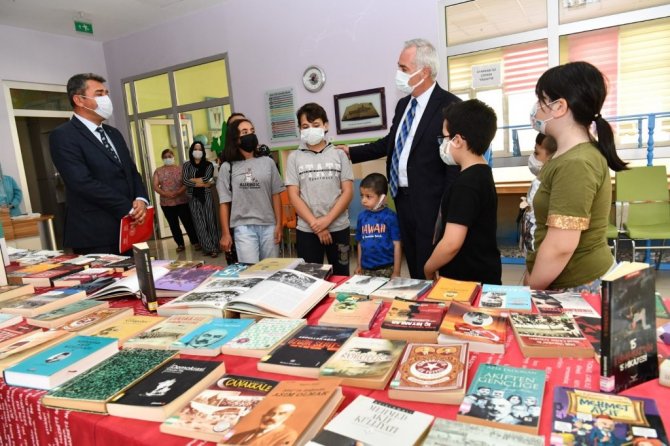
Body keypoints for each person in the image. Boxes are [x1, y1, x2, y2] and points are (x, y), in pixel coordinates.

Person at [338, 38, 461, 278]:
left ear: (424, 72)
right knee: (413, 257)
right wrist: (351, 152)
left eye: (404, 68)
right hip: (401, 196)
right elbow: (390, 142)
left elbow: (455, 160)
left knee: (431, 260)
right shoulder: (404, 104)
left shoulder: (450, 105)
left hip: (432, 200)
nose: (399, 74)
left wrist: (448, 204)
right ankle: (417, 295)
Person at [525, 61, 628, 292]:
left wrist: (530, 290)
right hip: (562, 277)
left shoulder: (576, 163)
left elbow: (561, 246)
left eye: (541, 100)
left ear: (559, 106)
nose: (536, 108)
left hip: (577, 284)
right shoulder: (567, 155)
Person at [49, 73, 149, 255]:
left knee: (138, 273)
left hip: (130, 228)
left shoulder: (113, 133)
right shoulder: (64, 136)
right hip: (95, 233)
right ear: (79, 100)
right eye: (99, 94)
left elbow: (131, 172)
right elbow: (81, 182)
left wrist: (141, 200)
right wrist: (127, 207)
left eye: (106, 93)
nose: (106, 99)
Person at [423, 99, 501, 284]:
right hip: (482, 272)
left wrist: (428, 268)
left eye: (444, 138)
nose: (442, 144)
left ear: (457, 140)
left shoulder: (466, 184)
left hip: (466, 281)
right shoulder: (482, 172)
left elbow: (451, 243)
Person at [285, 103, 353, 275]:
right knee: (310, 278)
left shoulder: (339, 154)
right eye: (305, 126)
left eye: (315, 125)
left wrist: (326, 221)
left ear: (325, 125)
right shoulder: (294, 157)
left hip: (339, 227)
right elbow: (293, 196)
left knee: (341, 276)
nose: (310, 130)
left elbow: (348, 192)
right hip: (307, 229)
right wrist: (317, 225)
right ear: (300, 129)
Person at [218, 118, 285, 263]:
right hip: (243, 228)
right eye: (244, 132)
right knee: (250, 270)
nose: (250, 134)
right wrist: (225, 233)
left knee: (271, 269)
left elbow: (276, 195)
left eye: (252, 131)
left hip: (269, 225)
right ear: (236, 139)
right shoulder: (227, 167)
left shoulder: (268, 162)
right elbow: (224, 203)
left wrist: (279, 225)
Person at [354, 173, 401, 278]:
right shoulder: (361, 217)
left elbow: (397, 244)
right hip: (366, 268)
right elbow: (360, 243)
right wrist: (359, 265)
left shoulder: (390, 217)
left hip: (387, 268)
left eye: (368, 196)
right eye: (362, 196)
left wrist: (396, 271)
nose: (363, 200)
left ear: (382, 198)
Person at [152, 148, 200, 252]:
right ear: (162, 158)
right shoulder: (158, 171)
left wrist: (178, 192)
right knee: (173, 225)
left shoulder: (181, 169)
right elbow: (155, 186)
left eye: (169, 156)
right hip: (166, 203)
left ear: (173, 157)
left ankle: (195, 242)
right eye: (165, 157)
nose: (167, 158)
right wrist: (165, 193)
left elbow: (187, 183)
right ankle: (180, 244)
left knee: (188, 222)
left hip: (182, 201)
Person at [520, 133, 557, 255]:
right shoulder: (539, 180)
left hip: (539, 248)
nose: (532, 157)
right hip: (533, 246)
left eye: (536, 153)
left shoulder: (549, 183)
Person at [183, 141, 220, 258]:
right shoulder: (186, 165)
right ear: (191, 151)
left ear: (203, 151)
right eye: (195, 149)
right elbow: (185, 181)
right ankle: (208, 248)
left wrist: (193, 180)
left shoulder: (209, 165)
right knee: (199, 223)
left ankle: (215, 246)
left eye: (200, 149)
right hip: (192, 196)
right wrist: (202, 184)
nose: (197, 151)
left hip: (206, 195)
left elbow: (207, 178)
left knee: (210, 221)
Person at [225, 403, 297, 445]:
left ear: (286, 417)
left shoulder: (288, 436)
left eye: (281, 414)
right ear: (263, 416)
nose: (273, 417)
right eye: (271, 413)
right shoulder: (237, 436)